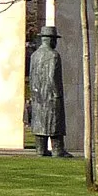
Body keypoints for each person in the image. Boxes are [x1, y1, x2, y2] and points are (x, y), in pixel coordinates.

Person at [26, 28, 70, 158]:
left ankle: (40, 149)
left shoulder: (34, 56)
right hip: (51, 95)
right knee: (55, 122)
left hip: (37, 96)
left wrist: (33, 93)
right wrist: (57, 94)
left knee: (40, 122)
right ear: (51, 40)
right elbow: (52, 77)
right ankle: (57, 150)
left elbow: (32, 76)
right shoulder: (53, 55)